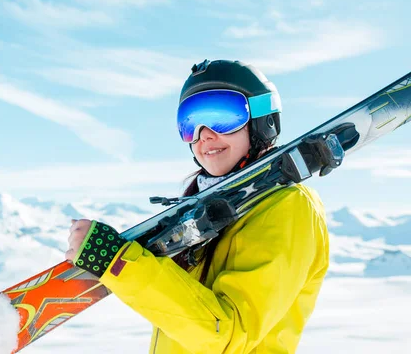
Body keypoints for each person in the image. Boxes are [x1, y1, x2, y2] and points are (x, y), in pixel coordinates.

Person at [65, 59, 330, 353]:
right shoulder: (202, 212)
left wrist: (120, 263)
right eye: (190, 123)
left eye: (222, 116)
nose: (204, 134)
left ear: (262, 121)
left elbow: (227, 333)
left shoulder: (288, 207)